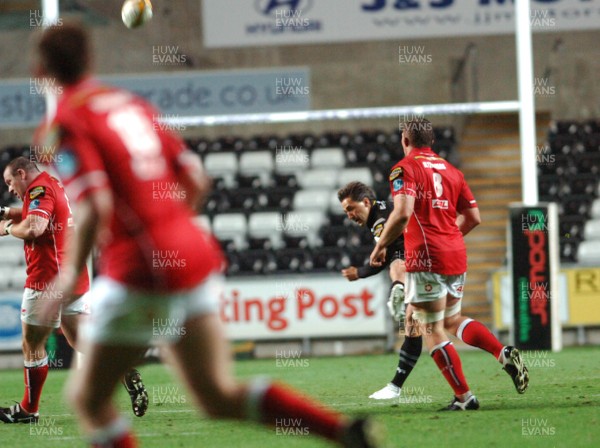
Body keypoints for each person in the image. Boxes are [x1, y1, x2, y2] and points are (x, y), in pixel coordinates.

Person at [32, 22, 380, 448]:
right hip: (192, 255)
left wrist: (68, 277)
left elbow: (94, 206)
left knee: (87, 400)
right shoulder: (131, 105)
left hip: (141, 268)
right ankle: (345, 434)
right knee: (214, 394)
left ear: (40, 72)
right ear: (90, 60)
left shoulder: (65, 123)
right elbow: (196, 179)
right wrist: (167, 227)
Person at [370, 118, 529, 411]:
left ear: (405, 141)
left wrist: (380, 246)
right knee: (451, 320)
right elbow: (474, 218)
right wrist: (448, 238)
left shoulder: (403, 168)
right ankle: (501, 352)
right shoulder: (453, 172)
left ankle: (464, 397)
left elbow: (403, 213)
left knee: (431, 329)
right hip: (456, 254)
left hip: (425, 258)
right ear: (431, 141)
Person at [0, 158, 148, 423]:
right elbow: (41, 214)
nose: (10, 189)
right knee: (79, 339)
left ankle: (28, 410)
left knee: (32, 344)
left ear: (22, 174)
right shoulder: (51, 184)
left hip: (47, 279)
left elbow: (35, 227)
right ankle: (123, 371)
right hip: (71, 275)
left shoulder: (38, 191)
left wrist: (8, 227)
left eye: (10, 182)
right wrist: (9, 213)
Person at [337, 181, 422, 401]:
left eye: (350, 209)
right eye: (346, 212)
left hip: (426, 263)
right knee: (440, 324)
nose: (349, 215)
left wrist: (361, 272)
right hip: (429, 258)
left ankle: (398, 287)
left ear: (366, 202)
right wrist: (363, 271)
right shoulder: (384, 209)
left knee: (423, 328)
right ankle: (501, 354)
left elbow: (383, 255)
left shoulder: (379, 220)